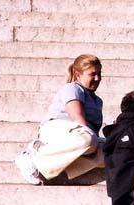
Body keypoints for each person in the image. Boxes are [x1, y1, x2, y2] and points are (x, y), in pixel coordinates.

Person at [14, 54, 105, 185]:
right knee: (88, 139)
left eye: (99, 73)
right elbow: (77, 117)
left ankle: (59, 173)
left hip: (82, 136)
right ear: (78, 74)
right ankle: (32, 157)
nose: (97, 78)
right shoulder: (72, 88)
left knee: (114, 150)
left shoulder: (97, 101)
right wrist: (93, 142)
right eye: (92, 74)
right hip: (59, 129)